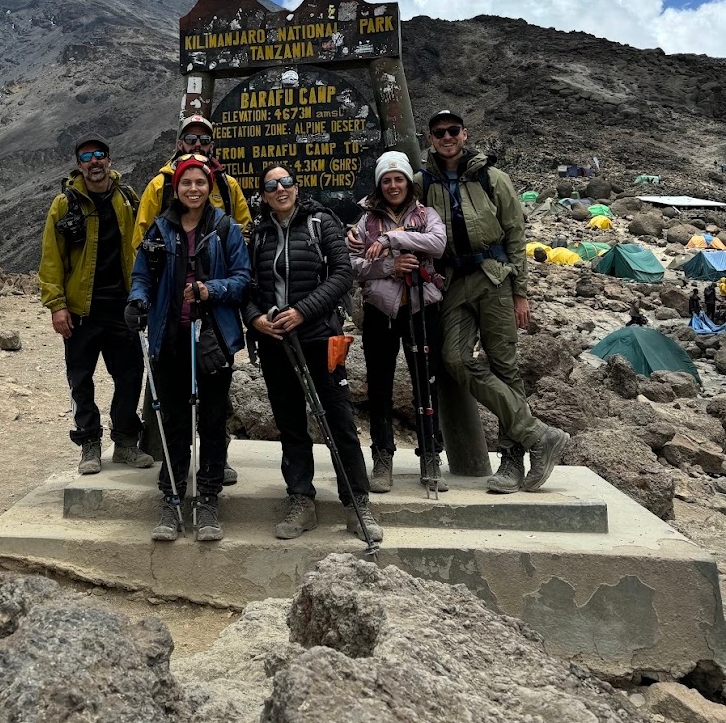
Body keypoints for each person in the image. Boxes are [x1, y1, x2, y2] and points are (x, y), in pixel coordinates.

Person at [416, 109, 569, 495]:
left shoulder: (493, 179)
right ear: (430, 138)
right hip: (451, 281)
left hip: (494, 278)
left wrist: (521, 292)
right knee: (453, 358)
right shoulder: (423, 183)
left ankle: (511, 462)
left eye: (453, 131)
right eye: (439, 132)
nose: (447, 137)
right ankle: (539, 435)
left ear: (465, 135)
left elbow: (516, 236)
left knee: (505, 367)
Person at [244, 165, 383, 545]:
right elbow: (249, 286)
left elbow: (342, 274)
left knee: (338, 419)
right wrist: (256, 319)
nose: (280, 189)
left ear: (296, 186)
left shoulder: (322, 222)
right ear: (264, 193)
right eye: (271, 185)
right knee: (290, 424)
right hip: (275, 342)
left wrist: (304, 310)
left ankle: (357, 501)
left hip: (321, 337)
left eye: (285, 182)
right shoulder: (257, 234)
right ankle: (300, 499)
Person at [126, 154, 250, 542]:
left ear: (209, 187)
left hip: (212, 337)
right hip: (172, 336)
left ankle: (208, 498)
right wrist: (137, 300)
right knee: (174, 420)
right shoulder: (160, 229)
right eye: (186, 183)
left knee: (212, 420)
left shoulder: (226, 228)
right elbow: (142, 275)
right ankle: (173, 497)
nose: (193, 189)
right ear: (176, 188)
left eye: (200, 182)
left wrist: (209, 289)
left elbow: (243, 279)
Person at [39, 136, 153, 476]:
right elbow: (50, 259)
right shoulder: (64, 203)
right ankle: (89, 444)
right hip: (80, 310)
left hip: (122, 307)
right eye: (86, 156)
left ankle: (125, 443)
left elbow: (142, 247)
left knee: (130, 376)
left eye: (99, 155)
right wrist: (57, 305)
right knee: (81, 379)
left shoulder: (127, 198)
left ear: (109, 159)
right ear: (78, 164)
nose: (94, 161)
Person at [347, 151, 447, 494]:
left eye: (399, 179)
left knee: (426, 381)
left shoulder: (426, 214)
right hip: (380, 309)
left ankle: (430, 455)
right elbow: (353, 265)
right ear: (379, 183)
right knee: (379, 384)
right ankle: (382, 455)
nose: (393, 185)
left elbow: (437, 243)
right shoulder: (364, 222)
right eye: (386, 180)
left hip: (422, 307)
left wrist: (390, 239)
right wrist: (392, 267)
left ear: (408, 182)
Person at [132, 114, 252, 250]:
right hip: (171, 268)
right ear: (179, 144)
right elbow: (141, 237)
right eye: (190, 139)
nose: (198, 144)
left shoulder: (228, 185)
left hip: (219, 268)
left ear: (211, 146)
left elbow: (244, 230)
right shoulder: (159, 185)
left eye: (205, 140)